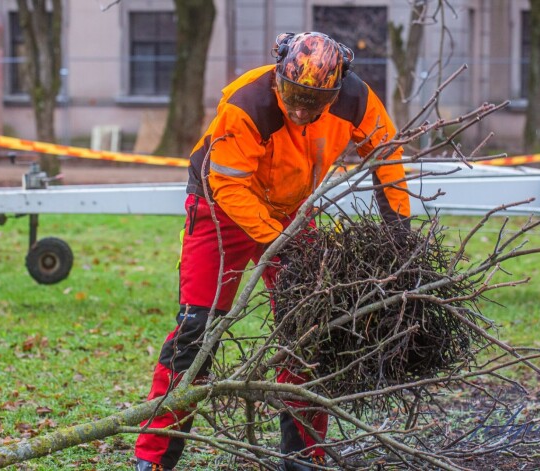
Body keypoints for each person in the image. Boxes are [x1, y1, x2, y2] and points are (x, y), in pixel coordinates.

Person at [134, 31, 411, 471]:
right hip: (220, 207)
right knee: (196, 328)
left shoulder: (356, 99)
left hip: (292, 210)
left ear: (335, 91)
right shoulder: (248, 104)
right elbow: (228, 183)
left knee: (307, 325)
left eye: (313, 101)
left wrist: (401, 234)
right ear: (280, 74)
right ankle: (153, 457)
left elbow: (387, 158)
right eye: (294, 95)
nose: (301, 109)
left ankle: (303, 455)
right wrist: (276, 241)